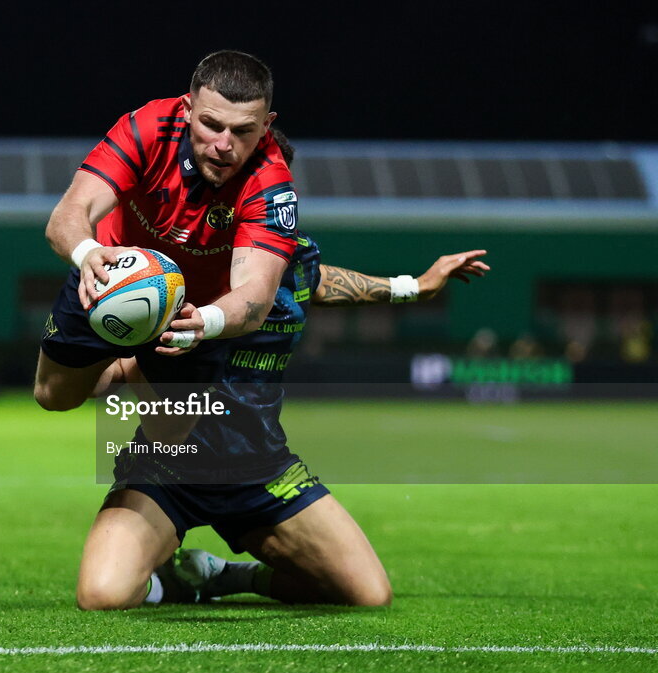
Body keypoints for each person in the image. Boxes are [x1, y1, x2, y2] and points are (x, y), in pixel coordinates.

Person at [75, 131, 490, 609]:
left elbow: (324, 282)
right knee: (103, 595)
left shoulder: (290, 256)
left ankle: (224, 577)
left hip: (263, 470)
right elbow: (116, 368)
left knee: (367, 596)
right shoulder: (172, 268)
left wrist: (414, 287)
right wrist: (96, 370)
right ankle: (162, 580)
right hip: (169, 468)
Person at [35, 50, 300, 412]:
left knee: (171, 435)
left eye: (242, 131)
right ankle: (121, 367)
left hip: (195, 311)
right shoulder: (149, 127)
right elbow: (68, 214)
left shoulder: (272, 184)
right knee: (53, 398)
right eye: (211, 124)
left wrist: (205, 321)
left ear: (266, 125)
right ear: (188, 108)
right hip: (110, 280)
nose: (224, 145)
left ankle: (140, 368)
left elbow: (256, 294)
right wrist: (87, 253)